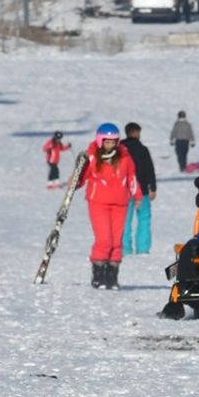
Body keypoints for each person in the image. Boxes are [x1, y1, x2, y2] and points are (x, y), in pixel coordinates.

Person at [80, 123, 142, 289]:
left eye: (113, 142)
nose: (110, 145)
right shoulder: (92, 157)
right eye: (107, 142)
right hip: (98, 202)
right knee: (104, 239)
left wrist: (138, 196)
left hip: (120, 203)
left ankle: (112, 276)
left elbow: (131, 178)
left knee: (116, 241)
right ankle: (98, 273)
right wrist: (76, 177)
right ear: (100, 141)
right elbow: (81, 178)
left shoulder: (125, 158)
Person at [122, 122, 158, 256]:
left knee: (125, 221)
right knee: (144, 219)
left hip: (124, 190)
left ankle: (125, 249)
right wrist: (152, 187)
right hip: (142, 189)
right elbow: (150, 169)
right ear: (136, 133)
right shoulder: (143, 149)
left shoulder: (120, 149)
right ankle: (143, 248)